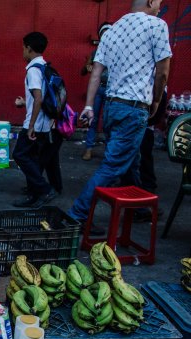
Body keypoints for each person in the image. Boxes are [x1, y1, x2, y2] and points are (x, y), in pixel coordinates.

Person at [70, 0, 171, 231]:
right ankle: (78, 215)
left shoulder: (113, 29)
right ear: (150, 1)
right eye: (160, 2)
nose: (160, 7)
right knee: (113, 166)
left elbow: (96, 71)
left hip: (112, 107)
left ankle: (140, 209)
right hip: (133, 108)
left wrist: (88, 107)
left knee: (131, 160)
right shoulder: (157, 25)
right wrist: (156, 101)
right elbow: (163, 71)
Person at [12, 31, 59, 208]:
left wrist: (30, 126)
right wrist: (25, 102)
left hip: (35, 124)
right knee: (32, 158)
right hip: (45, 123)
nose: (22, 51)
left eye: (23, 48)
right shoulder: (44, 66)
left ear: (29, 48)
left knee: (19, 154)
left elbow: (38, 98)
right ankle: (34, 193)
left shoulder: (33, 70)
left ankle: (44, 189)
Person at [81, 22, 112, 161]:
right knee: (92, 120)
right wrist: (87, 66)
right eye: (103, 34)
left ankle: (108, 151)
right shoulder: (95, 52)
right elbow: (83, 71)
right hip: (98, 89)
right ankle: (88, 149)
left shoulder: (117, 51)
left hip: (111, 91)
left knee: (108, 122)